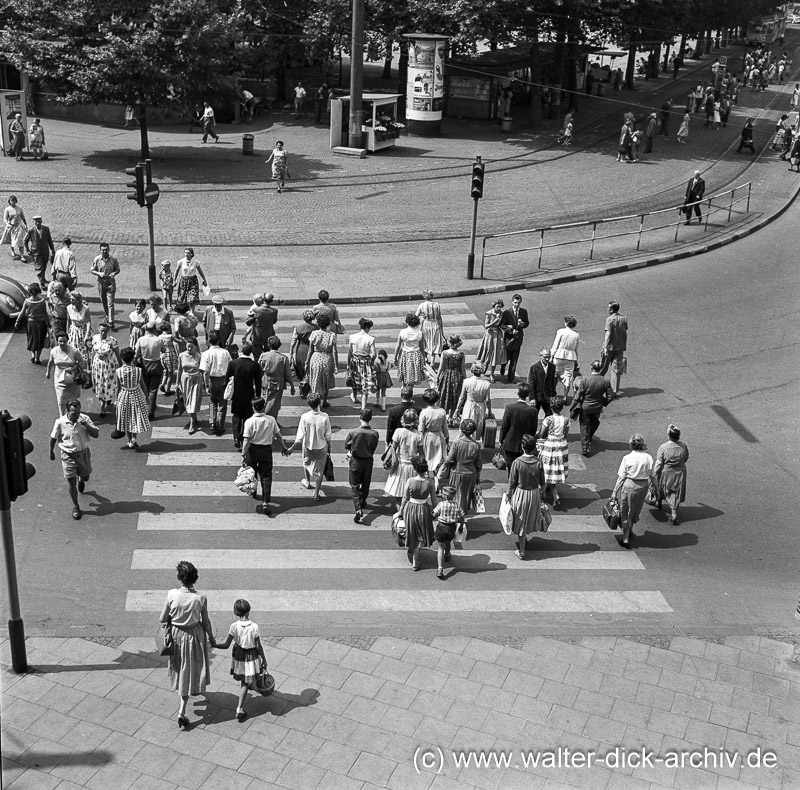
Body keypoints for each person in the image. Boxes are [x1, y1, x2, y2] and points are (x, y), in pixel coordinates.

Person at [159, 561, 216, 728]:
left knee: (180, 667)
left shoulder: (171, 595)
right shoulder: (200, 598)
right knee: (189, 669)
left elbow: (162, 618)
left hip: (176, 636)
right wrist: (212, 639)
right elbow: (206, 622)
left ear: (180, 578)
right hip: (194, 636)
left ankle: (183, 703)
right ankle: (182, 712)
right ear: (195, 578)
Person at [211, 599, 268, 721]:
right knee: (245, 682)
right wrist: (264, 659)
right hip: (250, 656)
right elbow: (258, 646)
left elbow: (226, 645)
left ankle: (251, 684)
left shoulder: (234, 626)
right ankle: (240, 709)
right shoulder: (254, 627)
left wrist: (214, 645)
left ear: (236, 612)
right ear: (249, 611)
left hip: (239, 654)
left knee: (245, 677)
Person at [49, 400, 99, 520]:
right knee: (71, 481)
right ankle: (76, 506)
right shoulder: (60, 422)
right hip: (68, 455)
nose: (76, 415)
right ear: (67, 411)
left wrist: (86, 425)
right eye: (73, 413)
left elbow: (96, 434)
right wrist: (51, 451)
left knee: (86, 476)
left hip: (83, 454)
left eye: (78, 412)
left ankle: (81, 478)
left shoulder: (85, 419)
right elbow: (53, 437)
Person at [241, 396, 288, 515]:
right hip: (266, 450)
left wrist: (243, 454)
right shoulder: (271, 420)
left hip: (253, 449)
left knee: (252, 472)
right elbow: (278, 435)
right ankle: (266, 501)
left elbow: (246, 440)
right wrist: (283, 447)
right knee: (266, 475)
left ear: (253, 408)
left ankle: (253, 490)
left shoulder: (249, 421)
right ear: (264, 407)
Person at [612, 434, 656, 549]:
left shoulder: (627, 458)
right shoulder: (648, 457)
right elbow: (653, 476)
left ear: (631, 445)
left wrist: (614, 492)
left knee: (625, 510)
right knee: (635, 509)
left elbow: (621, 477)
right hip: (643, 487)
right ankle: (630, 529)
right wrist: (657, 488)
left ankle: (625, 538)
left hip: (629, 485)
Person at [285, 393, 332, 500]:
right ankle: (316, 493)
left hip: (307, 446)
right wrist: (330, 447)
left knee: (306, 462)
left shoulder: (304, 417)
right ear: (319, 402)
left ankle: (307, 481)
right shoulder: (325, 417)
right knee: (319, 470)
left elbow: (299, 437)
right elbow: (328, 435)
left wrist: (291, 449)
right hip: (322, 446)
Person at [507, 434, 545, 560]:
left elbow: (512, 482)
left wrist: (508, 495)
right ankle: (523, 545)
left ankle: (522, 551)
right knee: (528, 519)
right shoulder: (539, 463)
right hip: (534, 494)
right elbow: (543, 482)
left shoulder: (517, 462)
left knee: (521, 520)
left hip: (521, 494)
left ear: (522, 446)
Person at [401, 457, 437, 571]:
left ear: (415, 469)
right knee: (420, 533)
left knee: (411, 529)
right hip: (424, 508)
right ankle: (416, 561)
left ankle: (410, 549)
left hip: (411, 508)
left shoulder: (410, 481)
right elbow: (434, 500)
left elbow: (405, 498)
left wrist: (401, 510)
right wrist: (436, 511)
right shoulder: (430, 482)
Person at [344, 408, 380, 523]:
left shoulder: (353, 432)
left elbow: (347, 445)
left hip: (355, 461)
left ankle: (358, 508)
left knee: (354, 486)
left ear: (360, 418)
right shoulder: (375, 434)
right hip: (368, 462)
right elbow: (373, 447)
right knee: (365, 484)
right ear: (370, 419)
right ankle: (363, 501)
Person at [384, 408, 424, 511]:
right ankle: (408, 514)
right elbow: (421, 454)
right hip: (413, 466)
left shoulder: (398, 431)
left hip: (400, 465)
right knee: (411, 494)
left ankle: (400, 514)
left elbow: (393, 448)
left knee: (399, 493)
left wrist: (387, 460)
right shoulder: (419, 435)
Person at [224, 341, 262, 449]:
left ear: (242, 350)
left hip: (236, 396)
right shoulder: (254, 365)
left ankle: (236, 438)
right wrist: (258, 396)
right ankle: (244, 437)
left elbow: (227, 379)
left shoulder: (233, 363)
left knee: (236, 417)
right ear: (251, 352)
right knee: (247, 418)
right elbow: (258, 382)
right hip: (249, 396)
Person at [573, 359, 614, 455]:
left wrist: (574, 405)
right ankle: (589, 436)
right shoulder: (605, 381)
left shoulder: (585, 380)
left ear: (591, 368)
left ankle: (585, 446)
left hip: (585, 407)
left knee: (584, 425)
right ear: (600, 369)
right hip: (597, 407)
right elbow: (610, 396)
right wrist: (604, 403)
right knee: (595, 422)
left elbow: (578, 396)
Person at [443, 418, 482, 514]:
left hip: (457, 472)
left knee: (455, 496)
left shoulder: (457, 443)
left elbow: (449, 459)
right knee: (466, 496)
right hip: (471, 473)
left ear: (461, 429)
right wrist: (478, 476)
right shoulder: (476, 445)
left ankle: (456, 517)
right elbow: (479, 464)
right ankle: (462, 515)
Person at [653, 424, 689, 525]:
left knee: (661, 488)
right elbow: (686, 457)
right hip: (680, 472)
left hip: (666, 472)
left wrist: (654, 473)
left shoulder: (663, 447)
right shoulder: (683, 445)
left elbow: (659, 463)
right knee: (675, 492)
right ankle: (673, 513)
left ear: (669, 435)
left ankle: (658, 502)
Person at [116, 346, 151, 449]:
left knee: (126, 417)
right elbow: (143, 385)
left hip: (124, 395)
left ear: (122, 358)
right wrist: (147, 397)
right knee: (135, 416)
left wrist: (116, 399)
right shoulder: (138, 370)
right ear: (132, 358)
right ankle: (134, 437)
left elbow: (118, 387)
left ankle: (129, 440)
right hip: (136, 394)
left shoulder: (119, 371)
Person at [538, 397, 569, 508]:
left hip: (550, 445)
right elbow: (566, 435)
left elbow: (541, 434)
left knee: (546, 471)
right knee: (555, 472)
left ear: (551, 408)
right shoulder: (566, 420)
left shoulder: (548, 419)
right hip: (561, 445)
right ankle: (555, 496)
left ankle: (542, 498)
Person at [499, 383, 537, 473]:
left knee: (511, 471)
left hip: (510, 444)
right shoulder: (533, 411)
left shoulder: (510, 407)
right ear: (527, 395)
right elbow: (533, 430)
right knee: (523, 470)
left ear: (518, 393)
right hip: (525, 444)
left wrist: (501, 440)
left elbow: (504, 426)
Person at [200, 330, 232, 435]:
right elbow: (230, 367)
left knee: (212, 402)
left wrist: (206, 385)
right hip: (223, 380)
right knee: (223, 405)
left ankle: (212, 423)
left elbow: (205, 372)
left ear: (209, 341)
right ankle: (220, 425)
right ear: (219, 340)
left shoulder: (206, 354)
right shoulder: (225, 352)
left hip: (211, 380)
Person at [46, 333, 85, 415]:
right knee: (61, 399)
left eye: (64, 341)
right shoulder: (54, 351)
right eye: (60, 341)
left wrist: (74, 368)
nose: (62, 343)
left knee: (72, 399)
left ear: (67, 341)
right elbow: (51, 362)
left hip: (72, 379)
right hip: (59, 379)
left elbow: (81, 362)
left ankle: (73, 413)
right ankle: (62, 416)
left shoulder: (74, 351)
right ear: (57, 341)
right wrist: (48, 372)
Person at [432, 485, 465, 579]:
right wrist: (461, 526)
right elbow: (462, 516)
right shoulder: (457, 505)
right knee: (448, 542)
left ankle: (440, 568)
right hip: (451, 527)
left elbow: (434, 514)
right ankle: (447, 555)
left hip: (441, 527)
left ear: (445, 496)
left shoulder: (441, 504)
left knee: (440, 547)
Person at [134, 322, 165, 420]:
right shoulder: (158, 340)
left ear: (146, 329)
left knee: (146, 386)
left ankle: (149, 404)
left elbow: (136, 353)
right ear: (155, 329)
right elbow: (163, 350)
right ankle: (151, 410)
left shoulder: (141, 340)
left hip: (144, 364)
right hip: (156, 364)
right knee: (153, 389)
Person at [257, 335, 293, 420]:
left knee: (265, 401)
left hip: (266, 382)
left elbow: (259, 370)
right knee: (275, 404)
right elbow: (288, 373)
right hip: (278, 384)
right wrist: (291, 385)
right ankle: (271, 420)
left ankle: (265, 419)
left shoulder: (263, 356)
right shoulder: (283, 358)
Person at [307, 313, 338, 407]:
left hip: (315, 357)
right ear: (328, 324)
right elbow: (334, 351)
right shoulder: (332, 335)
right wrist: (336, 365)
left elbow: (310, 350)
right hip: (327, 358)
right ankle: (324, 400)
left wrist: (306, 362)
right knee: (326, 380)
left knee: (315, 380)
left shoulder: (314, 333)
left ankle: (315, 402)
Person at [14, 282, 50, 364]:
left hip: (31, 323)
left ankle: (33, 355)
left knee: (32, 339)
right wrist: (48, 323)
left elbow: (22, 313)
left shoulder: (27, 301)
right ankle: (37, 358)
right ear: (38, 291)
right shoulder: (42, 301)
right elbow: (45, 313)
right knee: (40, 341)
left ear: (30, 291)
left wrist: (17, 322)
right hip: (41, 323)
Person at [456, 361, 493, 440]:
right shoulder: (487, 384)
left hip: (469, 405)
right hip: (481, 406)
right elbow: (487, 400)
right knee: (478, 425)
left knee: (465, 424)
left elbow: (462, 397)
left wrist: (457, 409)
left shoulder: (467, 381)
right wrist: (490, 411)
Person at [91, 320, 120, 417]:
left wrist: (121, 366)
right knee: (100, 384)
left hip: (108, 365)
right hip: (97, 365)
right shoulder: (94, 338)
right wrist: (90, 365)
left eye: (105, 331)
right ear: (99, 329)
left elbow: (117, 354)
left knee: (107, 383)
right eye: (101, 330)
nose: (103, 333)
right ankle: (102, 404)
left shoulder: (112, 340)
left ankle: (107, 399)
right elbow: (92, 352)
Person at [347, 318, 377, 409]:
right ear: (368, 328)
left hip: (354, 361)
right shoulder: (370, 339)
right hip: (365, 363)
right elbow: (374, 354)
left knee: (354, 381)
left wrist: (348, 364)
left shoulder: (352, 337)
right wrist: (370, 362)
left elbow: (350, 353)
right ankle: (363, 407)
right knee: (365, 385)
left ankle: (355, 397)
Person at [599, 300, 628, 394]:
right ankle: (614, 391)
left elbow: (608, 333)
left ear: (612, 309)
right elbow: (625, 330)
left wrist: (605, 347)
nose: (607, 309)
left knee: (603, 367)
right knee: (616, 369)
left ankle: (597, 386)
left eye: (609, 307)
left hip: (610, 347)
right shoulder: (624, 318)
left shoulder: (609, 319)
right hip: (620, 347)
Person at [499, 294, 529, 383]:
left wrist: (522, 324)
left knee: (515, 359)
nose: (516, 305)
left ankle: (511, 377)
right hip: (509, 338)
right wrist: (510, 330)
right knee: (507, 357)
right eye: (515, 303)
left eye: (518, 303)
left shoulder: (523, 312)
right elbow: (502, 325)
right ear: (512, 302)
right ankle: (503, 366)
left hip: (518, 338)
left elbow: (527, 323)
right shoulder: (507, 312)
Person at [89, 243, 120, 328]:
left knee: (110, 302)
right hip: (101, 283)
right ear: (100, 250)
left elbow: (118, 269)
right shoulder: (97, 259)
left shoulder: (113, 259)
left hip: (110, 283)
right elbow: (92, 270)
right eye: (103, 250)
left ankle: (111, 321)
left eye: (106, 250)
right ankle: (108, 315)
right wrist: (99, 273)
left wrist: (114, 273)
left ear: (108, 250)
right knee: (104, 301)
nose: (104, 251)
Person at [437, 335, 466, 425]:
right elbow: (463, 368)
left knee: (445, 395)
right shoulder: (461, 354)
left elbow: (441, 367)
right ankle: (451, 417)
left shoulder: (445, 353)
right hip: (457, 376)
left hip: (447, 376)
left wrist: (437, 377)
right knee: (455, 397)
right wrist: (464, 378)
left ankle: (443, 416)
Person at [419, 388, 449, 475]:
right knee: (439, 458)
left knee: (428, 457)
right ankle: (436, 476)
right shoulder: (442, 411)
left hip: (428, 436)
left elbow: (421, 429)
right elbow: (445, 428)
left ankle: (429, 474)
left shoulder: (424, 412)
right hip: (439, 436)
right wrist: (447, 439)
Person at [177, 337, 203, 433]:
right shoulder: (181, 355)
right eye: (188, 347)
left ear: (195, 347)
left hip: (196, 379)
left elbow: (202, 370)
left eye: (191, 347)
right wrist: (177, 383)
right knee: (187, 401)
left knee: (194, 400)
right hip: (185, 379)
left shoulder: (199, 356)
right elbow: (179, 370)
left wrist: (205, 383)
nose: (189, 349)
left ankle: (192, 424)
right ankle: (194, 417)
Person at [550, 316, 580, 399]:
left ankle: (553, 393)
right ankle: (565, 396)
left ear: (566, 323)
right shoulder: (576, 335)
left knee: (555, 375)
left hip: (559, 356)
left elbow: (555, 345)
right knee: (567, 377)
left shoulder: (561, 331)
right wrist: (576, 359)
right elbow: (576, 349)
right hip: (571, 358)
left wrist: (551, 356)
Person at [477, 299, 506, 381]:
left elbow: (502, 324)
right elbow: (486, 326)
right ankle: (482, 369)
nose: (499, 308)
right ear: (494, 306)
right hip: (490, 334)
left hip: (497, 334)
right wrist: (494, 321)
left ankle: (492, 374)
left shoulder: (502, 314)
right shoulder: (489, 313)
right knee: (487, 352)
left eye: (500, 307)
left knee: (495, 353)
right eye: (497, 307)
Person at [394, 312, 426, 387]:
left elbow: (398, 346)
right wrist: (423, 359)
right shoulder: (420, 333)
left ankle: (403, 388)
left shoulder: (403, 332)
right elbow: (422, 347)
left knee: (404, 372)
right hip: (416, 354)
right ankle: (409, 392)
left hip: (405, 354)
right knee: (413, 375)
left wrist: (395, 358)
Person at [24, 214, 55, 287]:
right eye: (36, 222)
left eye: (39, 221)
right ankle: (41, 282)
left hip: (45, 250)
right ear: (34, 222)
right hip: (36, 252)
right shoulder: (31, 230)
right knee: (39, 267)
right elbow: (25, 240)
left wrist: (52, 249)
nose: (38, 223)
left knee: (44, 265)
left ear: (41, 221)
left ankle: (43, 278)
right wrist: (28, 250)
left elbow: (49, 240)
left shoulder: (46, 229)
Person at [415, 291, 444, 366]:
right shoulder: (437, 305)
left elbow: (415, 316)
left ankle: (425, 358)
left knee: (425, 341)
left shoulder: (422, 305)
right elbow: (439, 318)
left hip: (426, 324)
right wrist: (442, 329)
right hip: (435, 324)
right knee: (434, 342)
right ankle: (432, 362)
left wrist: (422, 318)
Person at [527, 348, 557, 419]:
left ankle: (544, 430)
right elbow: (531, 384)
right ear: (540, 356)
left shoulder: (552, 367)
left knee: (549, 416)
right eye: (545, 357)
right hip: (537, 397)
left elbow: (553, 382)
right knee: (533, 417)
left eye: (548, 357)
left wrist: (553, 395)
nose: (547, 359)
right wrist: (532, 398)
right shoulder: (534, 368)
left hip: (548, 397)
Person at [289, 309, 317, 384]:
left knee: (301, 367)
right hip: (313, 349)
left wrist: (291, 351)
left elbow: (294, 341)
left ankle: (303, 385)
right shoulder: (316, 327)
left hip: (301, 349)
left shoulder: (298, 328)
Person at [250, 293, 278, 360]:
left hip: (257, 336)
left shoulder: (256, 310)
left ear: (263, 300)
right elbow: (274, 321)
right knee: (268, 356)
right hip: (269, 336)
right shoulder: (274, 311)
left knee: (257, 356)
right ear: (271, 301)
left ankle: (259, 368)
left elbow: (248, 321)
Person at [66, 291, 92, 361]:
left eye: (73, 300)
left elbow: (88, 322)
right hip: (74, 330)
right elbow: (68, 321)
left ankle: (87, 365)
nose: (71, 301)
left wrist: (87, 334)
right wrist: (68, 332)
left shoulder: (85, 308)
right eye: (70, 299)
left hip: (83, 330)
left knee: (86, 349)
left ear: (78, 300)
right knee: (74, 349)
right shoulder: (68, 308)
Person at [2, 196, 27, 260]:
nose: (13, 202)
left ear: (16, 201)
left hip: (19, 227)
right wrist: (7, 224)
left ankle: (22, 256)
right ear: (9, 201)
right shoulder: (7, 209)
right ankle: (12, 251)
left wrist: (26, 224)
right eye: (11, 201)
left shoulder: (19, 209)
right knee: (12, 240)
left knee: (21, 241)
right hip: (11, 227)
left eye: (14, 200)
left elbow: (23, 217)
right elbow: (5, 219)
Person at [159, 321, 179, 396]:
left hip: (163, 355)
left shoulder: (159, 337)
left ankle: (163, 384)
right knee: (170, 373)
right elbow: (178, 341)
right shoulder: (170, 336)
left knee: (165, 371)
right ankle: (168, 389)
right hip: (170, 354)